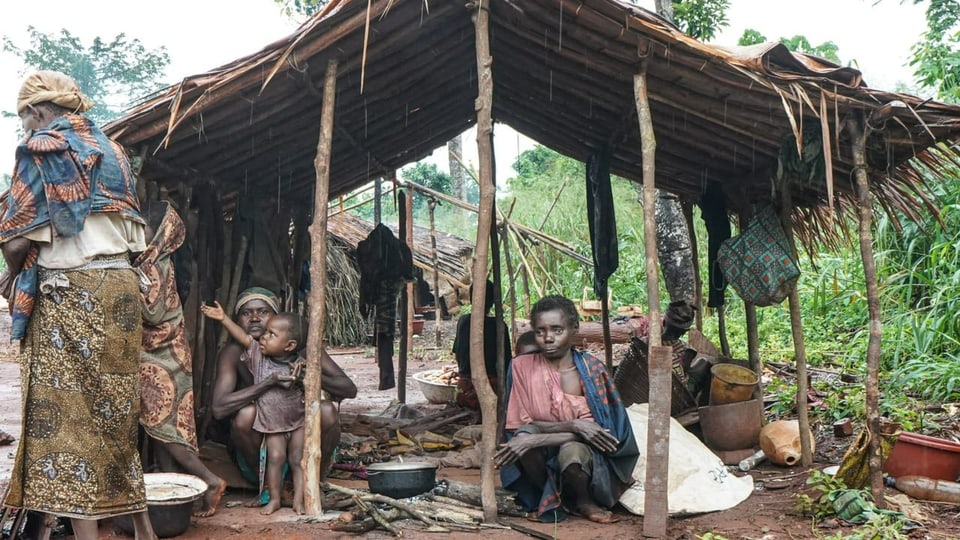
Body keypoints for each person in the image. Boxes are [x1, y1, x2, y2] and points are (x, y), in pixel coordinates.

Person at [0, 71, 156, 539]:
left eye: (24, 118)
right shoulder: (113, 151)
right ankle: (144, 531)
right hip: (121, 291)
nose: (25, 128)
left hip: (71, 292)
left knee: (70, 427)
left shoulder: (41, 149)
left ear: (38, 112)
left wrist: (14, 249)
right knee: (114, 415)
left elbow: (13, 242)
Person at [495, 295, 638, 524]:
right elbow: (520, 424)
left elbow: (600, 433)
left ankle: (583, 501)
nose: (548, 338)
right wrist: (574, 425)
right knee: (523, 438)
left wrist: (539, 437)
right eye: (540, 331)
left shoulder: (592, 370)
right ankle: (549, 497)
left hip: (583, 451)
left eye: (557, 330)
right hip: (542, 451)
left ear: (574, 329)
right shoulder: (521, 366)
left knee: (571, 454)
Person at [209, 287, 356, 505]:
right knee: (245, 415)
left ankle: (314, 479)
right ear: (237, 320)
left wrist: (308, 376)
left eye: (263, 312)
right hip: (263, 443)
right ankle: (269, 486)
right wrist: (266, 384)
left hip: (298, 429)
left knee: (326, 410)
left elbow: (348, 389)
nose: (255, 318)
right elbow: (219, 408)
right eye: (246, 313)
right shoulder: (234, 353)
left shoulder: (303, 350)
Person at [134, 199, 225, 517]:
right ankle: (176, 499)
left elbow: (153, 311)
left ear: (159, 234)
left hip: (163, 357)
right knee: (161, 432)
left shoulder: (153, 265)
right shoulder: (150, 261)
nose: (137, 234)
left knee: (169, 433)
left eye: (142, 229)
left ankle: (210, 481)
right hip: (159, 356)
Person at [201, 303, 309, 515]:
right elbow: (243, 337)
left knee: (298, 459)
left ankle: (300, 500)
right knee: (275, 458)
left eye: (271, 334)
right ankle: (274, 498)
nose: (264, 337)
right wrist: (223, 319)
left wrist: (303, 377)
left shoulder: (300, 363)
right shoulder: (258, 357)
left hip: (298, 421)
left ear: (289, 345)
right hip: (272, 423)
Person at [452, 280, 511, 410]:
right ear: (493, 301)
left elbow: (457, 353)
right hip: (490, 387)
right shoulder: (499, 326)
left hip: (464, 387)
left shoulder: (463, 321)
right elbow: (507, 362)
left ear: (471, 299)